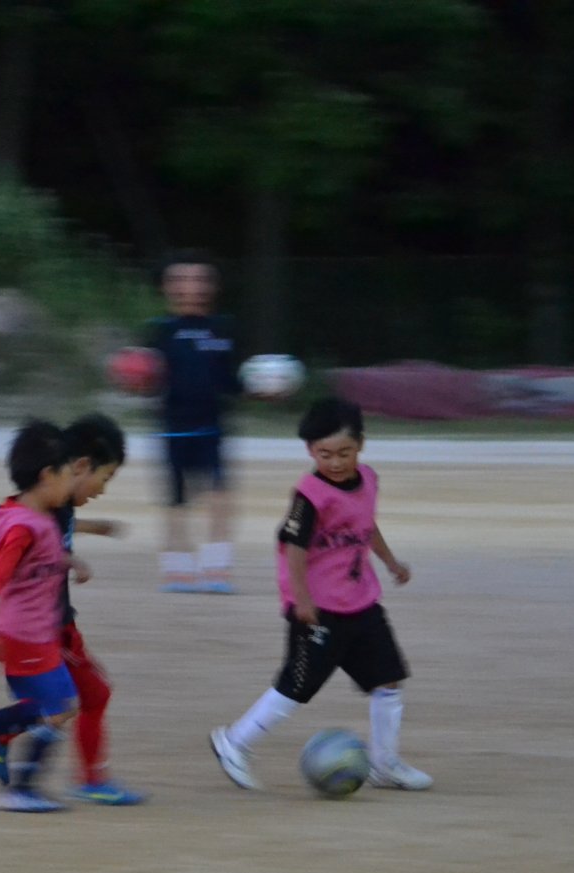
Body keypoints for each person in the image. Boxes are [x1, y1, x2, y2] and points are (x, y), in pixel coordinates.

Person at [209, 398, 433, 792]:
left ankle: (386, 764)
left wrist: (390, 561)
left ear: (361, 445)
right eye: (324, 454)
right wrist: (302, 601)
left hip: (361, 603)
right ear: (310, 451)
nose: (335, 462)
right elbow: (294, 549)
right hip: (319, 611)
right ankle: (234, 742)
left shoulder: (369, 479)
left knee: (388, 681)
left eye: (344, 452)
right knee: (295, 687)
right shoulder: (309, 496)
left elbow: (366, 526)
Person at [0, 420, 80, 813]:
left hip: (34, 635)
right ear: (46, 476)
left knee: (51, 705)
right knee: (58, 707)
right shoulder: (22, 526)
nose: (71, 486)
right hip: (23, 635)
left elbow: (41, 559)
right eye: (68, 475)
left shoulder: (27, 516)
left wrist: (73, 561)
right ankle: (20, 787)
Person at [55, 413, 144, 805]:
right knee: (89, 695)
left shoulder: (58, 503)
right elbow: (31, 543)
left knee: (78, 697)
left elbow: (65, 525)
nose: (103, 489)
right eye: (104, 479)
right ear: (80, 466)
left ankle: (91, 777)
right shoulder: (46, 509)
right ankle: (91, 779)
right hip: (49, 626)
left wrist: (97, 527)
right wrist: (68, 561)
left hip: (60, 623)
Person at [142, 251, 241, 593]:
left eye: (200, 279)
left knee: (219, 497)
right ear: (167, 287)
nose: (191, 287)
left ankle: (216, 570)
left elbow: (231, 382)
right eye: (181, 280)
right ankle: (178, 570)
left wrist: (261, 388)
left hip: (212, 429)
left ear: (212, 286)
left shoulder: (223, 328)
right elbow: (146, 381)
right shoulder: (159, 331)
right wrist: (134, 380)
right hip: (172, 428)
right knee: (176, 500)